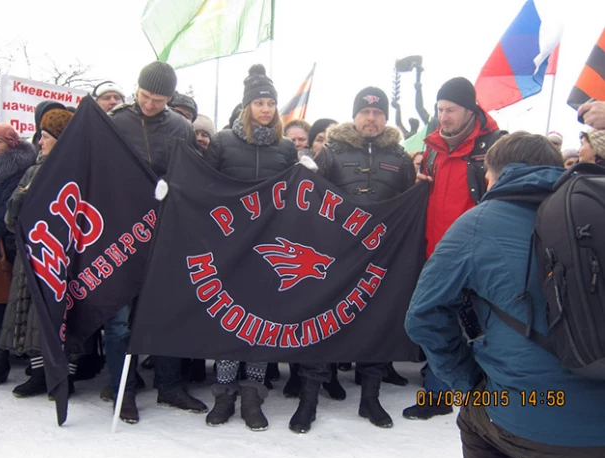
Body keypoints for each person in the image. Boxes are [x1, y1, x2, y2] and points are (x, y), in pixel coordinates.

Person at [405, 131, 605, 458]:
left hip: (529, 415)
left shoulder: (477, 223)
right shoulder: (596, 216)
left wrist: (467, 383)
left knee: (474, 420)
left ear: (492, 174)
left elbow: (422, 315)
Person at [288, 86, 415, 434]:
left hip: (382, 255)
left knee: (377, 322)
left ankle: (370, 398)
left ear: (385, 118)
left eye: (377, 113)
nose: (370, 119)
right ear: (355, 115)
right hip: (336, 254)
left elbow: (409, 202)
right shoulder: (331, 151)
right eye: (365, 112)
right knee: (324, 321)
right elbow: (311, 197)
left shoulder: (401, 157)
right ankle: (308, 398)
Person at [403, 77, 506, 421]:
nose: (443, 117)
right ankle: (438, 393)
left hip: (479, 256)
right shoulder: (431, 148)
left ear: (470, 109)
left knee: (481, 326)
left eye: (450, 110)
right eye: (439, 109)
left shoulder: (495, 146)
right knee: (437, 322)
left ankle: (491, 396)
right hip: (437, 253)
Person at [109, 61, 206, 424]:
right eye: (145, 96)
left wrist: (173, 185)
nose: (150, 104)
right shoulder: (115, 121)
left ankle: (169, 386)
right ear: (136, 88)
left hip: (164, 232)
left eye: (159, 99)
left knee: (165, 312)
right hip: (120, 232)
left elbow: (195, 176)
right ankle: (123, 389)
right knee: (118, 321)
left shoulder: (181, 127)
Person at [204, 64, 297, 431]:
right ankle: (224, 393)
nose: (265, 109)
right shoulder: (223, 141)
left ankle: (252, 394)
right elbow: (206, 185)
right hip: (229, 247)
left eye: (270, 103)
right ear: (247, 107)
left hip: (270, 248)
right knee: (230, 320)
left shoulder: (286, 147)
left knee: (262, 322)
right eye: (259, 102)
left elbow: (297, 196)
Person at [0, 110, 75, 397]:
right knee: (30, 313)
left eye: (45, 136)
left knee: (65, 314)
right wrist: (23, 195)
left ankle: (65, 377)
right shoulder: (32, 170)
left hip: (63, 255)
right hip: (31, 255)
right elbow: (10, 218)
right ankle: (39, 373)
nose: (40, 142)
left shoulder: (78, 170)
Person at [0, 123, 36, 388]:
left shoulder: (18, 172)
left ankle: (0, 364)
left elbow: (1, 218)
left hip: (5, 250)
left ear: (12, 144)